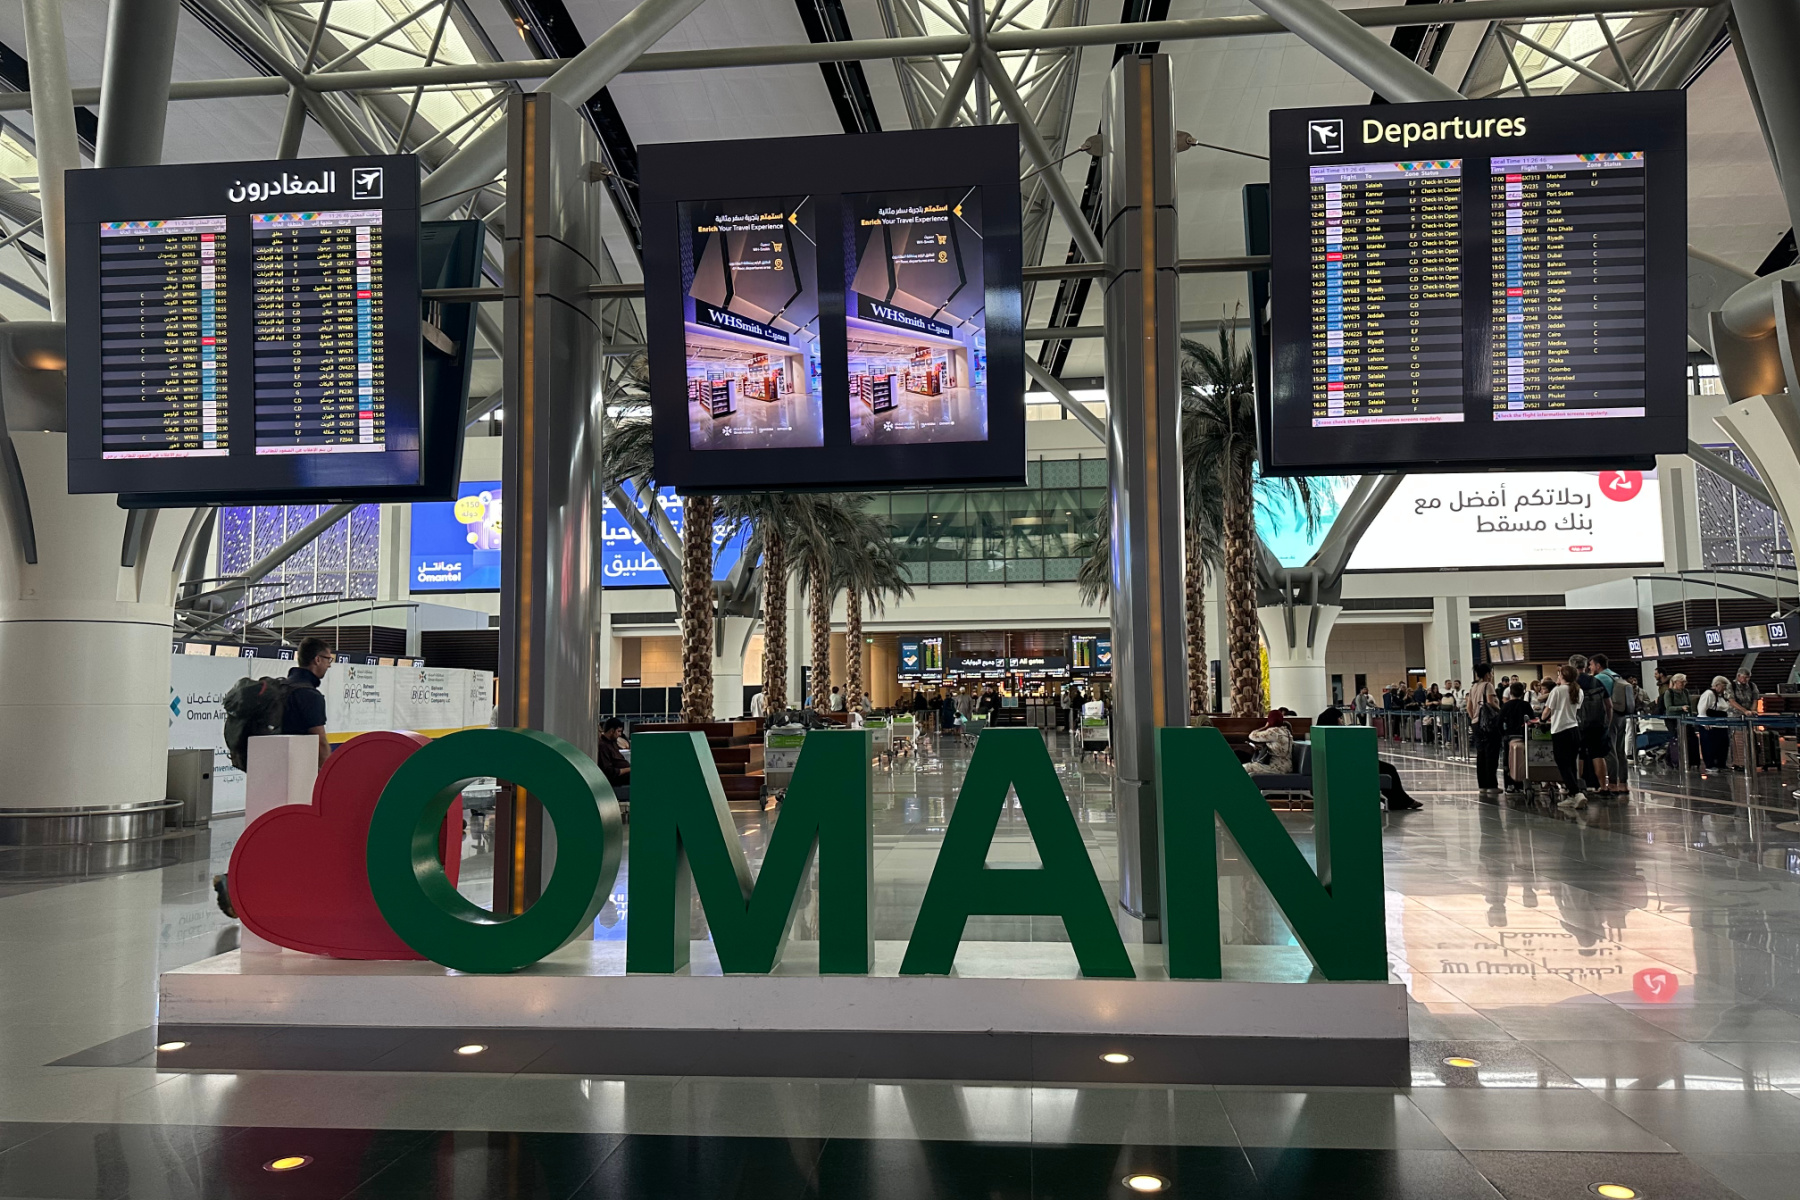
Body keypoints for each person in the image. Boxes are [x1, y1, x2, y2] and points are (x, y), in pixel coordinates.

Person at [1314, 706, 1423, 809]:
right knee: (1389, 769)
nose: (1342, 721)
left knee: (1387, 768)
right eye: (1340, 719)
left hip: (1347, 765)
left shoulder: (1324, 736)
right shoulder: (1338, 737)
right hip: (1353, 767)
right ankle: (1399, 801)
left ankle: (1399, 800)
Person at [283, 636, 336, 766]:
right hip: (297, 769)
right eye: (328, 659)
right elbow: (320, 743)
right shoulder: (310, 695)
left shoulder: (282, 687)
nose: (329, 665)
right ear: (317, 659)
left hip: (269, 766)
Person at [1545, 664, 1588, 809]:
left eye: (1559, 674)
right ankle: (1572, 796)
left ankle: (1576, 794)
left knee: (1563, 764)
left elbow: (1547, 711)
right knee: (1571, 764)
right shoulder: (1579, 691)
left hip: (1560, 731)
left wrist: (1542, 720)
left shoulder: (1557, 691)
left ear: (1563, 676)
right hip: (1574, 730)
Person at [1570, 654, 1612, 795]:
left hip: (1577, 724)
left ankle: (1579, 787)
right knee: (1598, 755)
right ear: (1585, 665)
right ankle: (1604, 787)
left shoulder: (1571, 683)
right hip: (1598, 724)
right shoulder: (1596, 682)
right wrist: (1607, 721)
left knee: (1579, 755)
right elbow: (1609, 705)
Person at [1466, 662, 1503, 795]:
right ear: (1487, 674)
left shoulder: (1473, 687)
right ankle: (1492, 785)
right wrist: (1501, 711)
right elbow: (1490, 702)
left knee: (1481, 754)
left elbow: (1468, 707)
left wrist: (1474, 718)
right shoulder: (1488, 685)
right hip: (1489, 725)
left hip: (1476, 723)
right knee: (1491, 753)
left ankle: (1482, 785)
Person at [1500, 682, 1534, 792]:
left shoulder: (1506, 705)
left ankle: (1509, 784)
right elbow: (1532, 720)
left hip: (1510, 735)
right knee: (1524, 758)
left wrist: (1503, 733)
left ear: (1510, 692)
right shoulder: (1526, 705)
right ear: (1523, 693)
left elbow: (1499, 721)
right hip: (1523, 735)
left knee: (1508, 759)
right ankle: (1522, 782)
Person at [1696, 675, 1733, 770]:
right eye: (1723, 685)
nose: (1725, 688)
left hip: (1722, 725)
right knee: (1709, 746)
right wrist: (1705, 722)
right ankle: (1710, 765)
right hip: (1710, 725)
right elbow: (1702, 709)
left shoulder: (1722, 696)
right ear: (1717, 685)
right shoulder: (1708, 694)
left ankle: (1721, 764)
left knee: (1723, 745)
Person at [1242, 710, 1294, 775]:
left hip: (1276, 768)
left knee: (1246, 768)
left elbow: (1252, 735)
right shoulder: (1286, 731)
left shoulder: (1273, 732)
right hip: (1288, 767)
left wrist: (1266, 726)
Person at [596, 718, 631, 798]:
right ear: (611, 731)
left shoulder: (613, 743)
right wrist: (629, 769)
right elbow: (609, 771)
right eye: (618, 731)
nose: (620, 734)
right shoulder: (603, 746)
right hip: (617, 778)